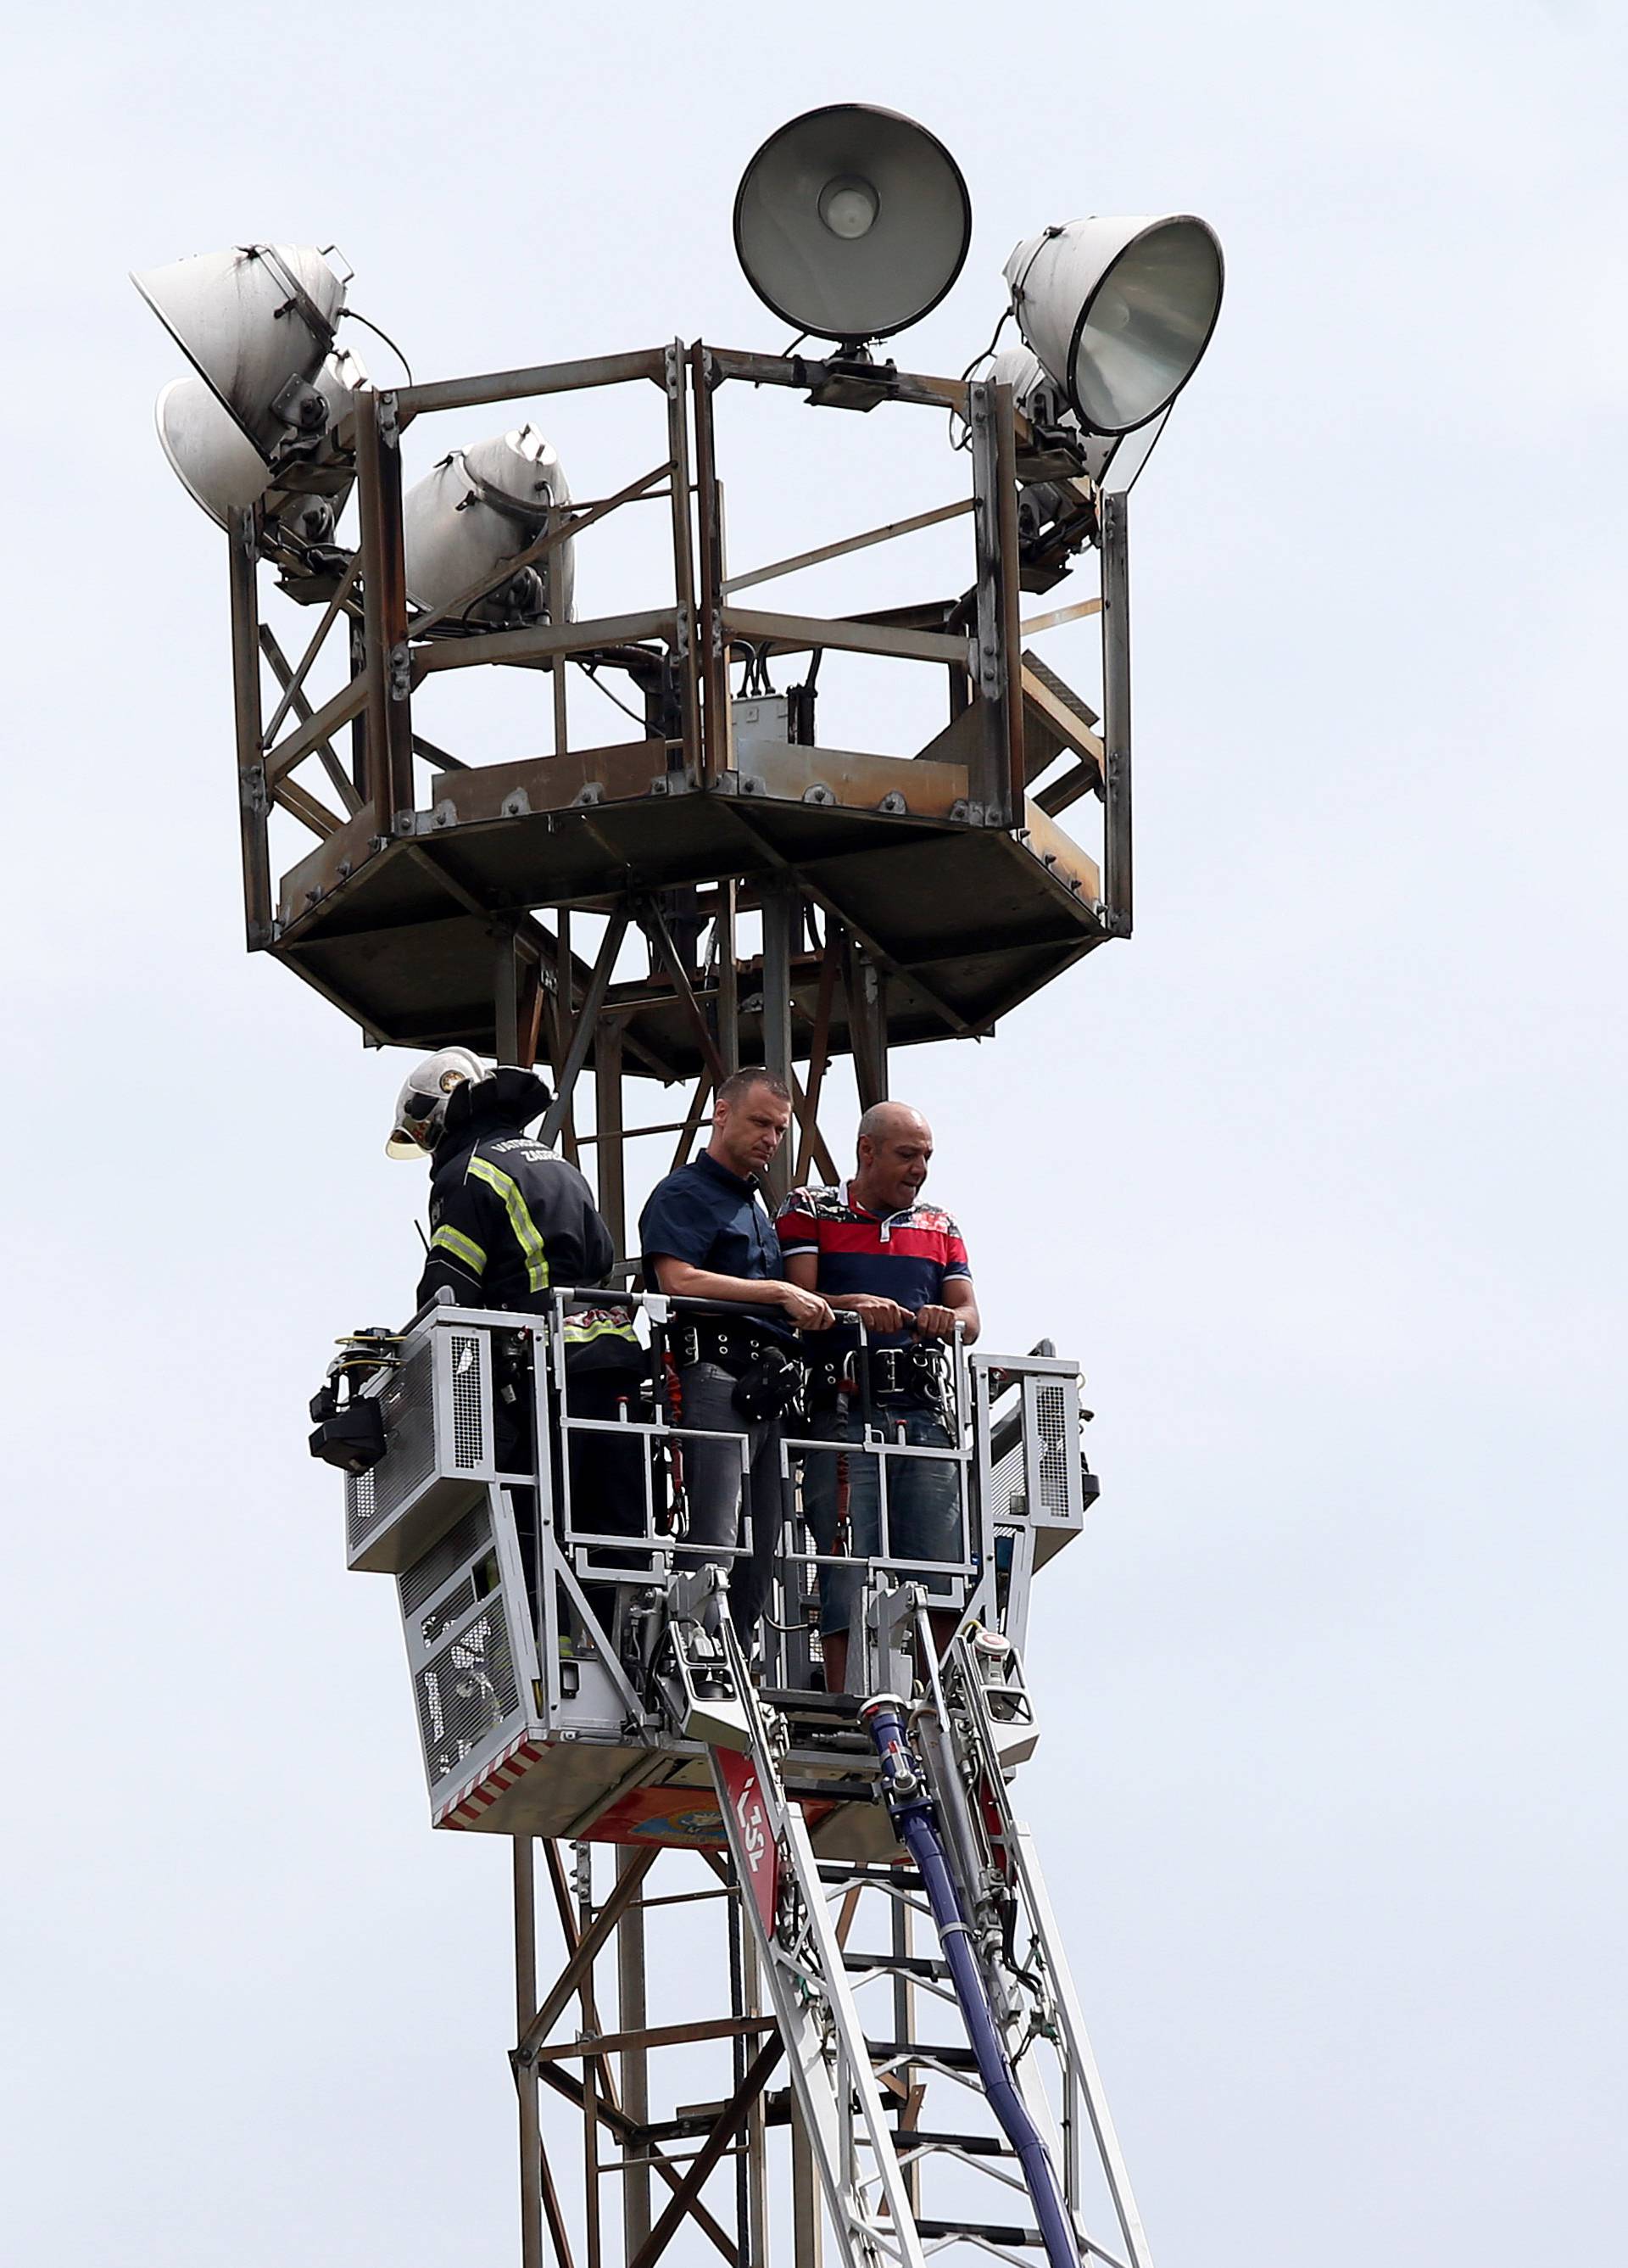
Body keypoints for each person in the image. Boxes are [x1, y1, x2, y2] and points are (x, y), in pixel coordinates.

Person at [387, 1048, 646, 1634]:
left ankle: (549, 1642)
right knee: (615, 1523)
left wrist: (409, 1376)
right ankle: (629, 1642)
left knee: (537, 1518)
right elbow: (601, 1254)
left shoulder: (467, 1172)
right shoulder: (553, 1162)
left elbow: (449, 1291)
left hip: (541, 1371)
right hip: (612, 1361)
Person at [776, 1101, 980, 1693]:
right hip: (844, 1408)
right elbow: (796, 1297)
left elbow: (972, 1317)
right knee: (845, 1557)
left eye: (926, 1157)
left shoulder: (939, 1225)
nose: (919, 1169)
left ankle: (935, 1698)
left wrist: (946, 1319)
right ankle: (845, 1699)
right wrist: (857, 1304)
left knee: (938, 1563)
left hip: (921, 1410)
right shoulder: (810, 1207)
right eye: (907, 1154)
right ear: (867, 1150)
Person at [638, 1067, 833, 1644]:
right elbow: (676, 1279)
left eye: (779, 1128)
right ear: (720, 1114)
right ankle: (693, 1648)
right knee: (717, 1531)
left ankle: (735, 1650)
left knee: (763, 1542)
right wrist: (777, 1292)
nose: (771, 1139)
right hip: (717, 1375)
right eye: (759, 1123)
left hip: (764, 1389)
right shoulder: (685, 1192)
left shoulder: (754, 1205)